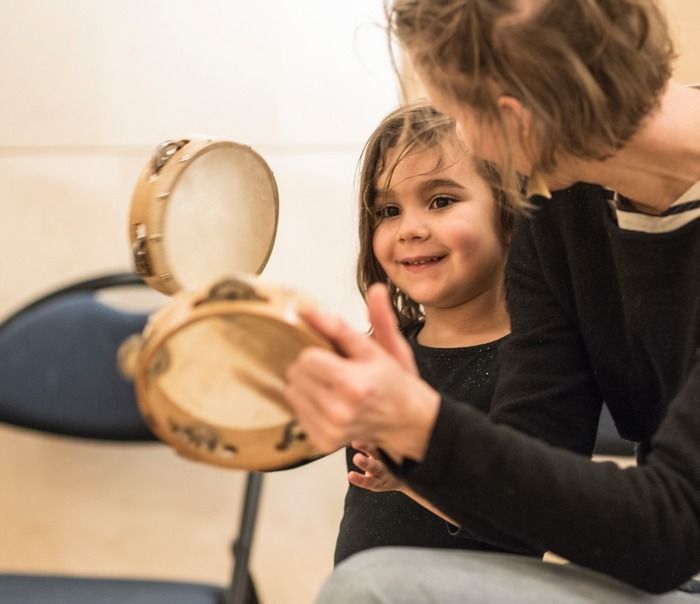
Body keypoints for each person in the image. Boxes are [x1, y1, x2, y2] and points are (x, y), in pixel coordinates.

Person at [283, 0, 700, 601]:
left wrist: (423, 428)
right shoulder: (558, 212)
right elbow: (529, 471)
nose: (465, 137)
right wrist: (403, 435)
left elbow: (669, 530)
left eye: (457, 114)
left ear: (515, 118)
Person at [334, 101, 533, 564]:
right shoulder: (378, 354)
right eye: (388, 210)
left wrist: (411, 474)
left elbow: (520, 520)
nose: (409, 229)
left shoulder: (536, 364)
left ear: (508, 210)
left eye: (441, 201)